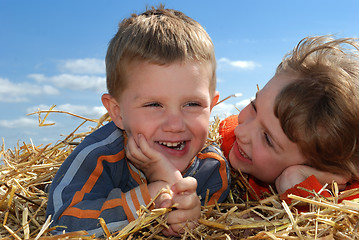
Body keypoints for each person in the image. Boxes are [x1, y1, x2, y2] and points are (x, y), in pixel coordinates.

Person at [46, 6, 230, 237]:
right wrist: (149, 200)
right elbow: (59, 223)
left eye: (192, 104)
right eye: (154, 105)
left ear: (211, 106)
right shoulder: (99, 157)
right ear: (118, 113)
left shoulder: (212, 169)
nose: (175, 125)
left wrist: (192, 216)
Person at [219, 35, 359, 201]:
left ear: (315, 166)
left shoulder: (349, 201)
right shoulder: (226, 141)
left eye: (267, 139)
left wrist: (296, 184)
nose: (240, 131)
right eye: (254, 107)